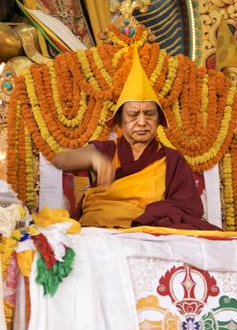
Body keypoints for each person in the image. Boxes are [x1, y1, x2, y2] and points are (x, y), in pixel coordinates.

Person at [52, 46, 220, 231]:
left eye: (149, 114)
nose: (142, 122)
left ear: (158, 121)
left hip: (148, 233)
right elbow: (61, 159)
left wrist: (151, 214)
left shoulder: (171, 160)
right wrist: (94, 158)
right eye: (133, 114)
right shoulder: (107, 150)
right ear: (120, 122)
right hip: (100, 231)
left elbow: (189, 208)